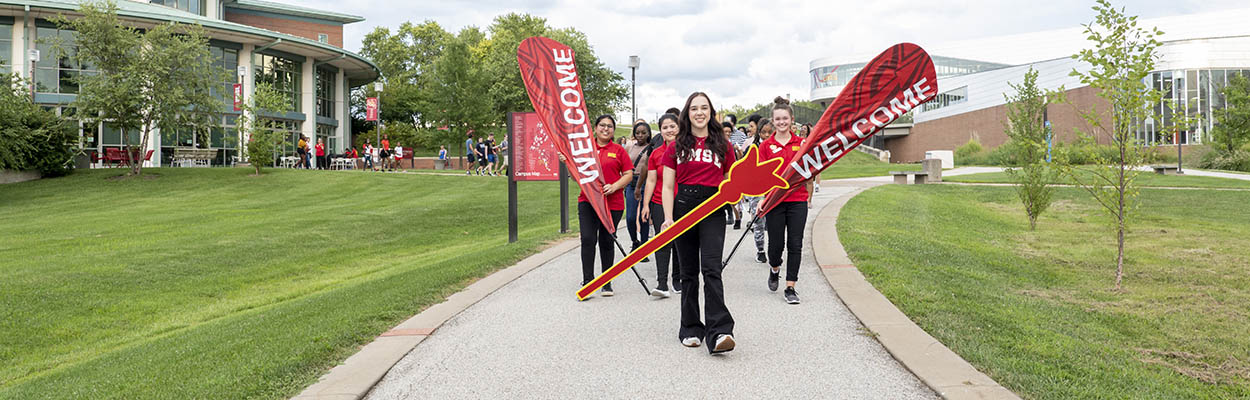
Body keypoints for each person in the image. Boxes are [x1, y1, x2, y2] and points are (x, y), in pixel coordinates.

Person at [661, 92, 736, 354]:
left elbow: (731, 179)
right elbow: (668, 186)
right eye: (694, 108)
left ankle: (720, 331)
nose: (699, 112)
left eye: (704, 108)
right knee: (689, 272)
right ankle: (691, 327)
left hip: (713, 208)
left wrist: (733, 200)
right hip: (684, 208)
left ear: (711, 112)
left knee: (712, 269)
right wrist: (668, 218)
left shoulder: (724, 145)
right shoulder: (675, 146)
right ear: (687, 113)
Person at [759, 97, 812, 305]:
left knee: (795, 244)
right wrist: (763, 199)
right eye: (778, 119)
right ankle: (774, 269)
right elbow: (762, 177)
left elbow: (809, 171)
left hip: (798, 200)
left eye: (785, 118)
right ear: (773, 121)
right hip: (775, 201)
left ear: (792, 120)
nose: (782, 122)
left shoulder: (801, 144)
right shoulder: (766, 146)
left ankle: (790, 287)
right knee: (776, 245)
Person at [577, 115, 633, 297]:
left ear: (613, 130)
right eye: (602, 125)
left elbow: (628, 174)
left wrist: (615, 186)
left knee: (607, 240)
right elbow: (575, 171)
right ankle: (588, 281)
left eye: (610, 126)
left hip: (613, 203)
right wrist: (565, 160)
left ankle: (606, 281)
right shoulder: (585, 149)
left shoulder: (618, 150)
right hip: (588, 201)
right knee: (587, 239)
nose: (606, 129)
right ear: (595, 127)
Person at [640, 113, 680, 297]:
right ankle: (662, 283)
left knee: (681, 241)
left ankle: (678, 278)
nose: (669, 130)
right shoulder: (656, 153)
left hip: (683, 202)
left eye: (673, 126)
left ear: (679, 128)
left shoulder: (687, 151)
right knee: (662, 240)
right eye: (665, 127)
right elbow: (650, 180)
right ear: (661, 131)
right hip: (659, 203)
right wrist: (646, 204)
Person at [744, 120, 773, 263]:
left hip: (773, 188)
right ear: (758, 132)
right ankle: (760, 249)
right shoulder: (752, 148)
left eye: (769, 132)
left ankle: (773, 249)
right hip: (757, 189)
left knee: (773, 221)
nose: (766, 135)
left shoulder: (776, 147)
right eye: (763, 132)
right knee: (758, 220)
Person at [623, 122, 653, 259]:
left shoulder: (651, 148)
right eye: (638, 132)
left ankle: (644, 249)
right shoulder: (630, 146)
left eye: (643, 132)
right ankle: (635, 242)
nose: (640, 135)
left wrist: (640, 187)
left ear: (648, 134)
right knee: (630, 217)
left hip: (646, 182)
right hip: (631, 182)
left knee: (644, 217)